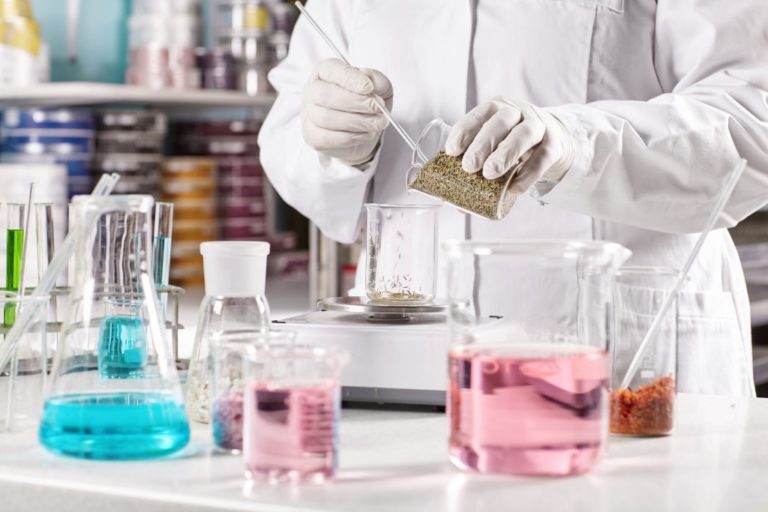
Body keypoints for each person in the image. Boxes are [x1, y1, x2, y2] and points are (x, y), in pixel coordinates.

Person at [258, 0, 768, 396]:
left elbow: (751, 122)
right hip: (411, 361)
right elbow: (290, 141)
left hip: (629, 355)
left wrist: (574, 144)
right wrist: (335, 146)